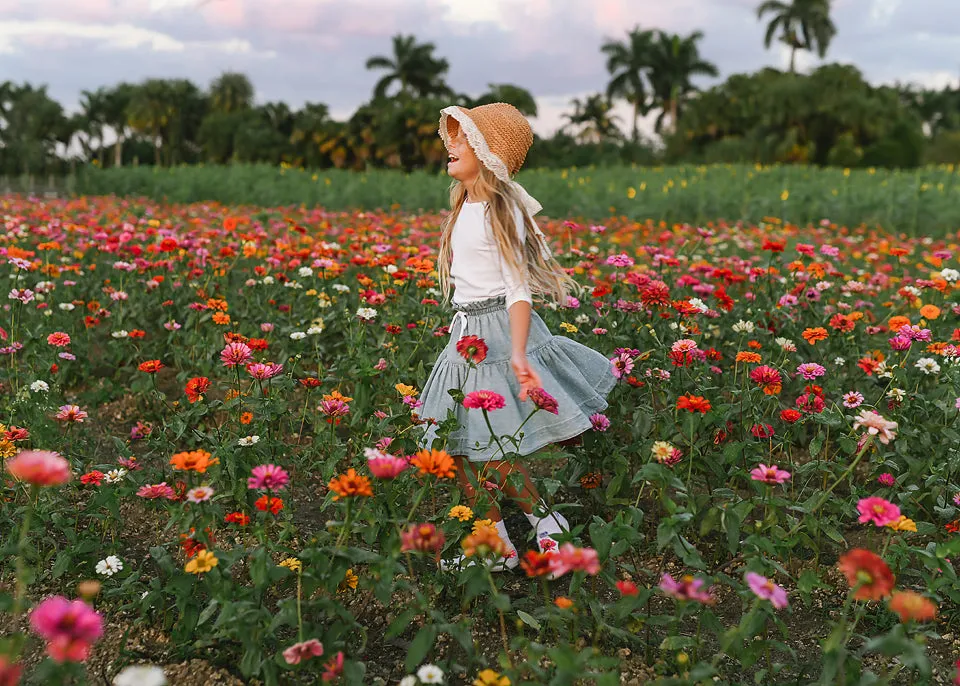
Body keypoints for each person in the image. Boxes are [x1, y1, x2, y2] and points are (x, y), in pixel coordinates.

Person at [417, 103, 616, 571]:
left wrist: (520, 353)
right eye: (453, 137)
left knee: (491, 448)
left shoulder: (498, 210)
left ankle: (549, 528)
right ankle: (494, 545)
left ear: (487, 153)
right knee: (460, 447)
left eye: (464, 139)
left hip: (497, 336)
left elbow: (517, 289)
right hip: (464, 333)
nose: (452, 145)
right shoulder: (464, 203)